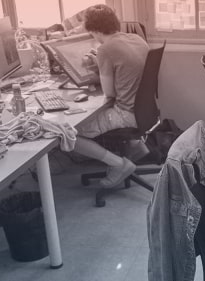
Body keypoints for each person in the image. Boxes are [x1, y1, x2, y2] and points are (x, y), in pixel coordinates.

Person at [72, 4, 149, 188]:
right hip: (145, 111)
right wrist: (102, 64)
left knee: (68, 134)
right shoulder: (137, 39)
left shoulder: (105, 49)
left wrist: (101, 63)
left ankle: (119, 165)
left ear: (95, 30)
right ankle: (137, 146)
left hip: (125, 114)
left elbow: (110, 94)